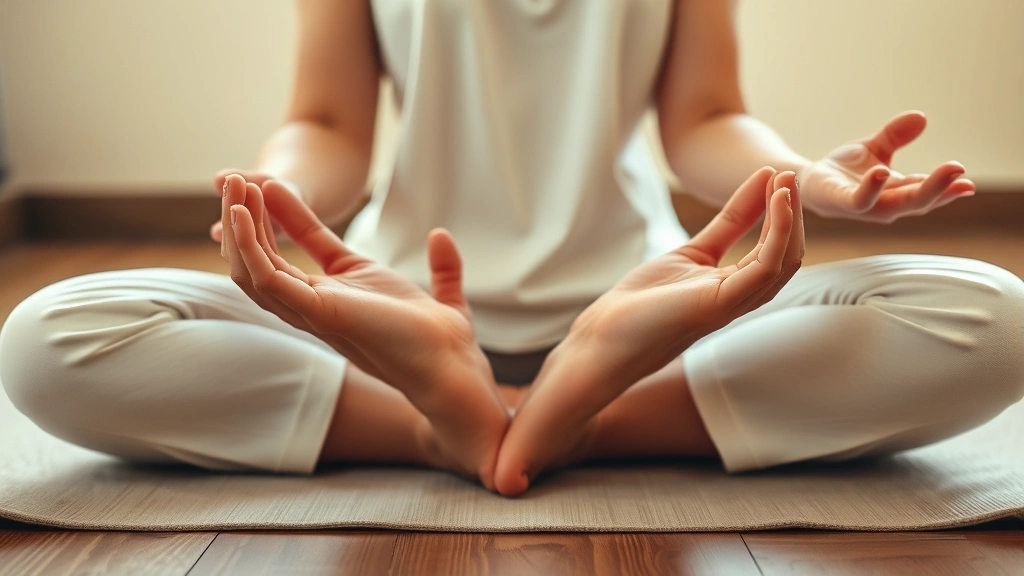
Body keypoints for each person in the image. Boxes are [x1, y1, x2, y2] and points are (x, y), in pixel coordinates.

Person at [1, 1, 1022, 498]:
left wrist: (805, 180)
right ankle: (460, 423)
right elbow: (326, 123)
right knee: (48, 339)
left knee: (990, 319)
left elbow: (706, 119)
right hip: (387, 317)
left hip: (646, 312)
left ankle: (554, 411)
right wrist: (275, 199)